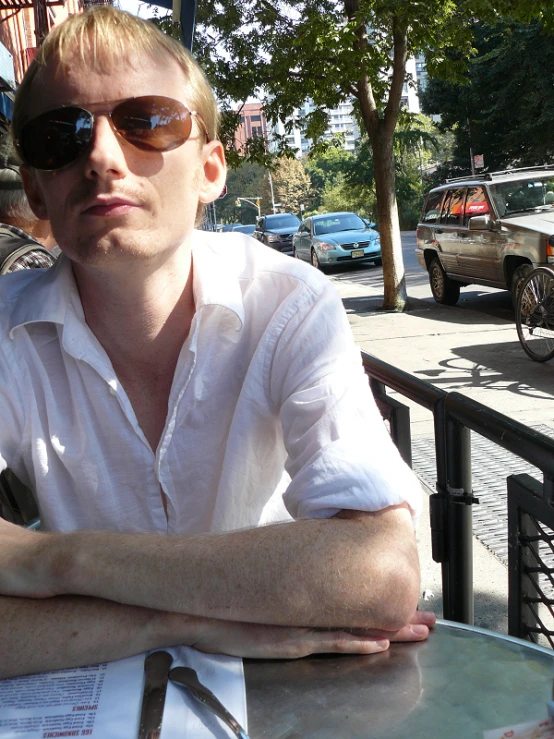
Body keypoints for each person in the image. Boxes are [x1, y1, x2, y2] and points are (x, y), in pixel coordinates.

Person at [0, 6, 435, 680]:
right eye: (63, 135)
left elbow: (379, 575)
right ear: (35, 188)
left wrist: (51, 559)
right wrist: (188, 622)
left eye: (145, 121)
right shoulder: (5, 329)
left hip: (283, 691)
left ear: (210, 170)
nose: (103, 158)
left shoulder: (288, 302)